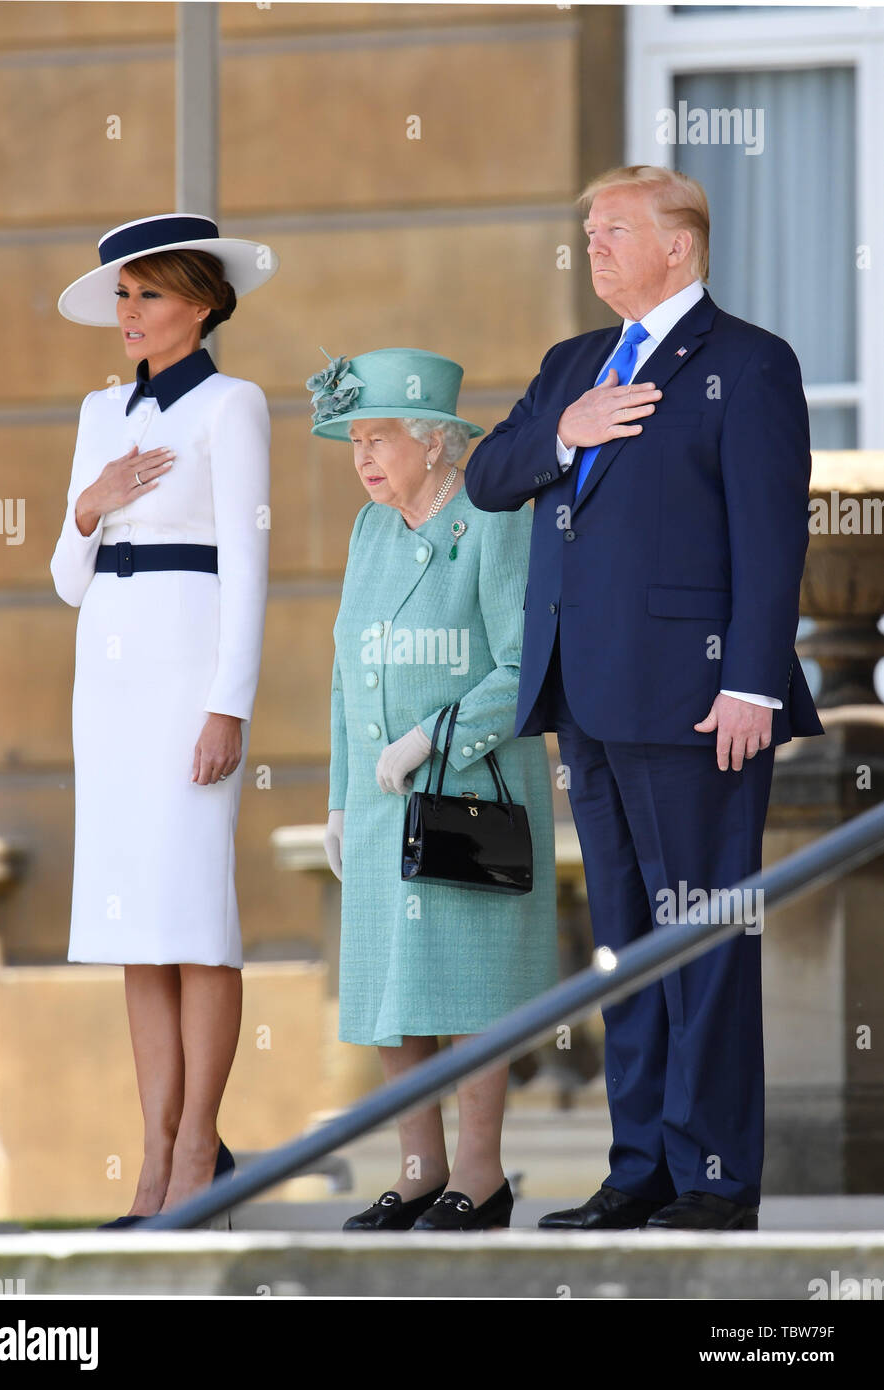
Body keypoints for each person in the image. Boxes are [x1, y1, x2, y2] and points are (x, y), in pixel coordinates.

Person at [465, 166, 824, 1232]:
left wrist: (753, 677)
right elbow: (490, 476)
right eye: (585, 228)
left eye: (613, 228)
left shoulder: (749, 362)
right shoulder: (572, 364)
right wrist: (565, 428)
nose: (592, 245)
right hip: (586, 696)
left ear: (680, 245)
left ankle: (713, 1176)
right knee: (624, 938)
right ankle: (641, 1171)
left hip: (698, 700)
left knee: (704, 933)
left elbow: (772, 535)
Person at [51, 213, 277, 1228]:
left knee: (197, 921)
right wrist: (90, 506)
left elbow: (250, 567)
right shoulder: (99, 414)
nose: (129, 312)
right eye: (122, 296)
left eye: (147, 293)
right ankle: (151, 1170)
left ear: (202, 301)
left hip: (191, 670)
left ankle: (199, 1155)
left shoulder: (234, 406)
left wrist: (228, 703)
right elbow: (64, 579)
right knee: (137, 927)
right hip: (108, 670)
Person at [311, 347, 558, 1231]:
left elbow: (521, 664)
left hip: (469, 791)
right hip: (382, 806)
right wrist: (341, 798)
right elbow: (346, 671)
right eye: (355, 441)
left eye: (379, 438)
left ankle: (482, 1180)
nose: (363, 457)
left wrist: (432, 738)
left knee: (473, 991)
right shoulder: (368, 529)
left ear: (437, 441)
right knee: (391, 994)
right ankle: (419, 1172)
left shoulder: (494, 518)